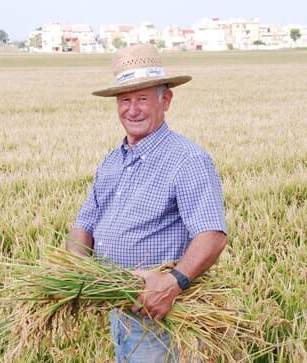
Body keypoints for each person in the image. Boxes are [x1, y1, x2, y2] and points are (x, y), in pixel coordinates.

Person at [67, 44, 227, 362]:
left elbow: (213, 235)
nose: (133, 109)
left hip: (161, 313)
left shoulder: (187, 159)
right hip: (119, 308)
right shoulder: (113, 160)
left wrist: (173, 283)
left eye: (142, 98)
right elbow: (83, 226)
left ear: (165, 100)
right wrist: (76, 273)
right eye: (125, 100)